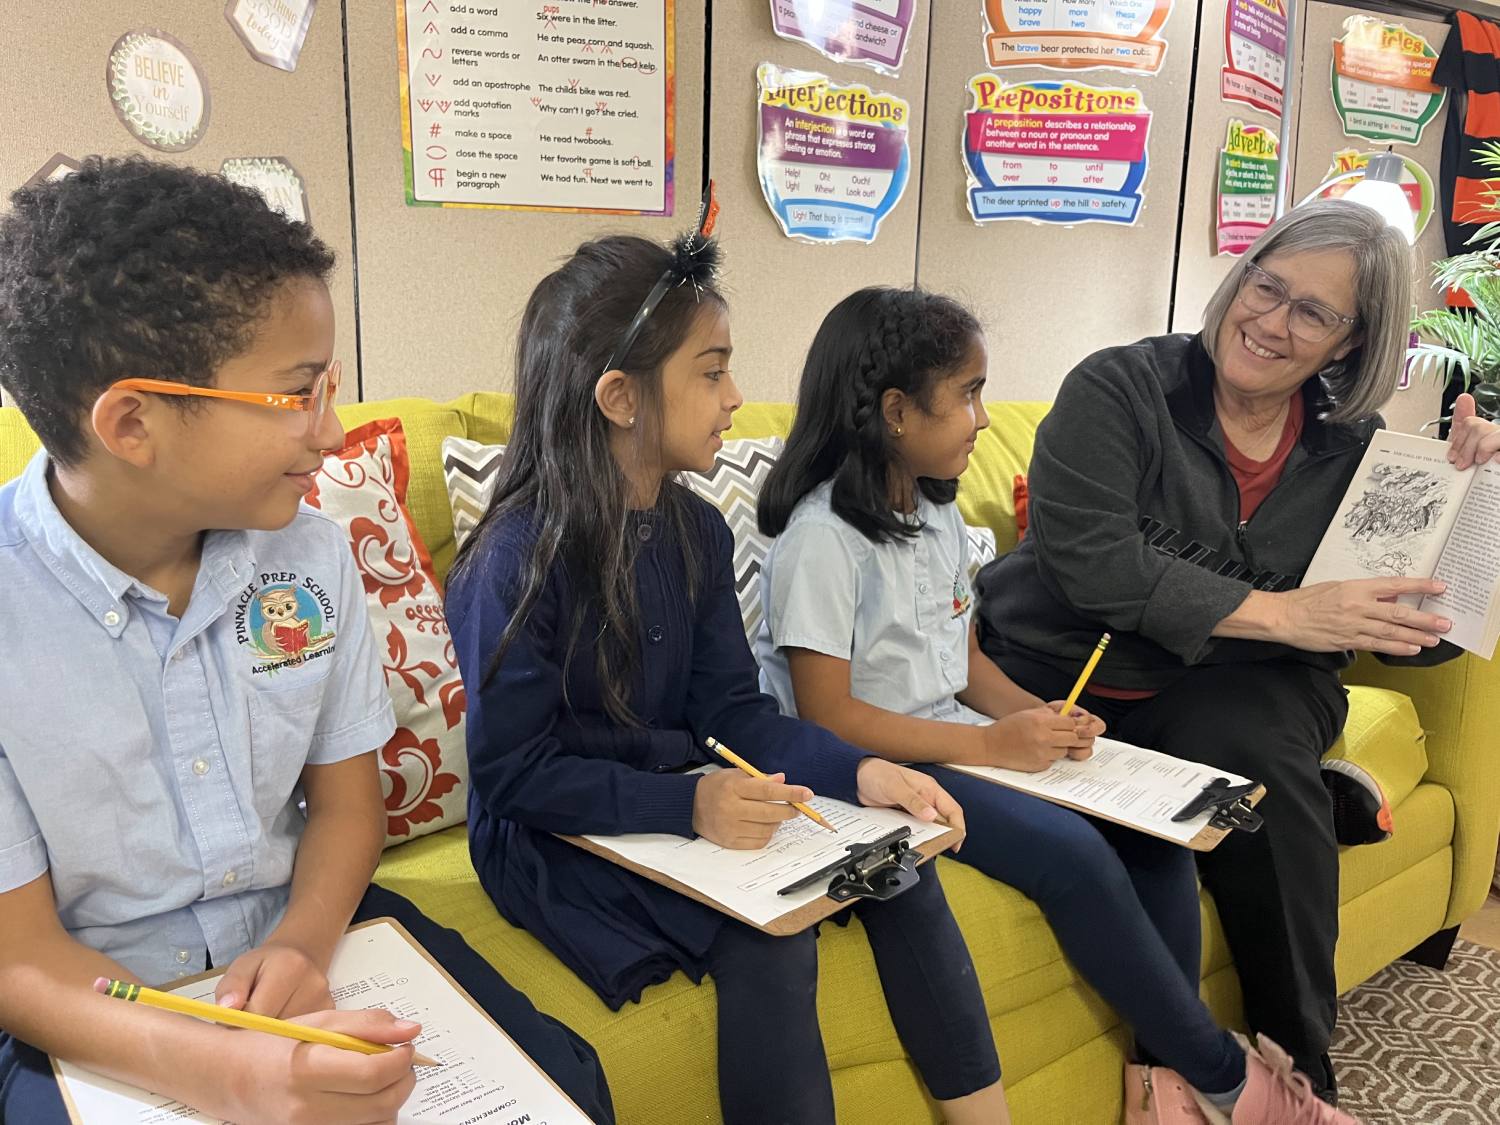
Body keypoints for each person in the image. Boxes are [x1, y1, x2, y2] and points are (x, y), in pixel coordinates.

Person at [0, 157, 612, 1125]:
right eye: (298, 394)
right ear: (131, 422)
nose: (333, 431)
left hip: (309, 935)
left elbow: (346, 810)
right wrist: (225, 1073)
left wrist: (299, 943)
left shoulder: (311, 555)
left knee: (568, 1088)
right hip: (97, 1004)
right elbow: (22, 957)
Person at [757, 284, 1363, 1124]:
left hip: (957, 739)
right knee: (1076, 855)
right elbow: (826, 717)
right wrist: (993, 748)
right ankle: (1232, 1080)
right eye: (968, 394)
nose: (982, 415)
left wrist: (1040, 715)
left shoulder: (932, 514)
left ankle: (1162, 1086)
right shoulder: (823, 538)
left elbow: (962, 660)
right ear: (895, 412)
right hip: (876, 769)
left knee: (1161, 845)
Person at [446, 230, 1007, 1125]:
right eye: (712, 373)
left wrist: (858, 772)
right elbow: (513, 775)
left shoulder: (697, 530)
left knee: (893, 865)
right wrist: (687, 806)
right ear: (620, 397)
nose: (738, 397)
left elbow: (731, 713)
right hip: (550, 829)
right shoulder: (515, 560)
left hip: (675, 789)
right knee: (772, 938)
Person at [972, 198, 1500, 1106]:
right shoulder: (1118, 387)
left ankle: (1299, 1080)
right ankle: (1311, 808)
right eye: (1267, 285)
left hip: (1239, 690)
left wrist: (1472, 504)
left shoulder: (1358, 453)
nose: (1270, 321)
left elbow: (1420, 640)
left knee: (1253, 757)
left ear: (1349, 343)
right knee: (1243, 774)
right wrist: (1288, 613)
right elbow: (1093, 561)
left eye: (1312, 313)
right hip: (1067, 666)